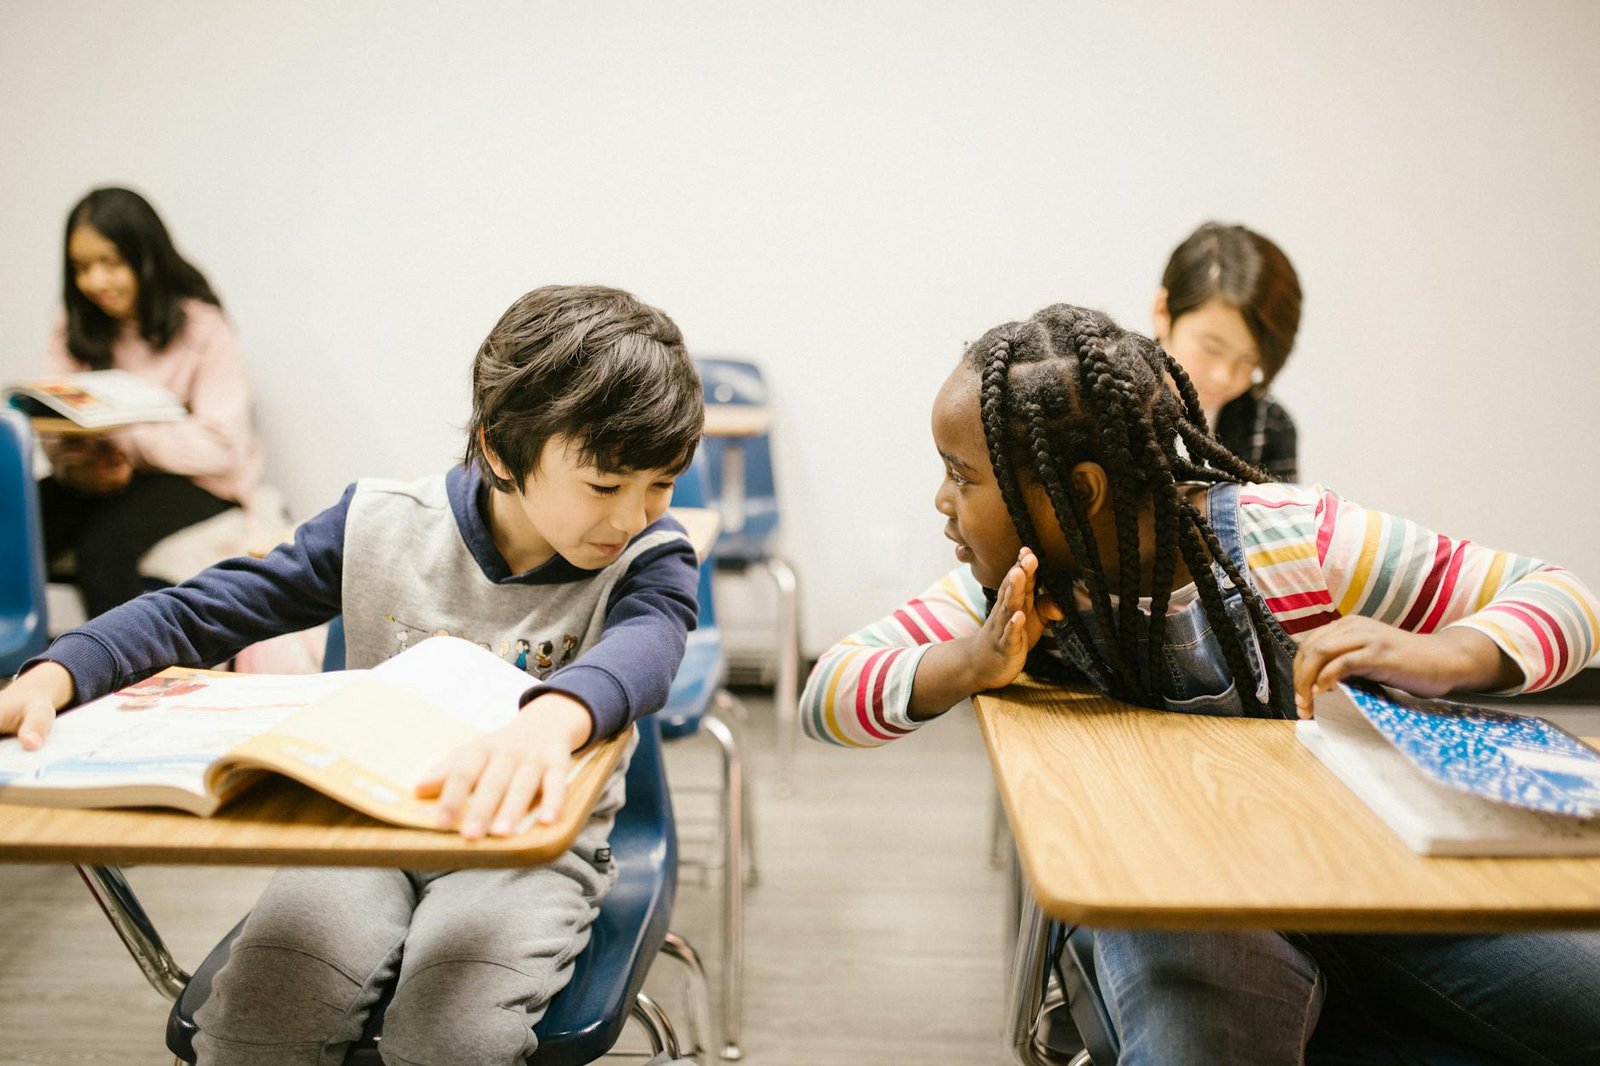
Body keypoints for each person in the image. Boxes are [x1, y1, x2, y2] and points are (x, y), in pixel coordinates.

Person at [801, 302, 1600, 1064]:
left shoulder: (1291, 540)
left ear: (1079, 491)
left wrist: (1450, 653)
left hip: (1372, 884)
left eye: (961, 475)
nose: (941, 501)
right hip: (1180, 906)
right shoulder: (1006, 597)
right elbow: (826, 694)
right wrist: (969, 664)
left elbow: (1563, 599)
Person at [0, 284, 705, 1066]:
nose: (632, 517)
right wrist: (61, 671)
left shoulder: (652, 556)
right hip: (360, 833)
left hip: (526, 852)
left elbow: (649, 643)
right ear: (502, 451)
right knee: (255, 1030)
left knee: (451, 1041)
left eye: (661, 484)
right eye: (605, 486)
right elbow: (201, 610)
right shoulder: (382, 523)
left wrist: (550, 718)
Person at [37, 186, 265, 617]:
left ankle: (123, 658)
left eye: (110, 263)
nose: (94, 282)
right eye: (81, 267)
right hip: (104, 474)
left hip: (197, 481)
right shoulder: (74, 326)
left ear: (145, 257)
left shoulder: (203, 326)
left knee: (104, 545)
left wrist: (126, 441)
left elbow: (221, 446)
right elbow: (57, 427)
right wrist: (77, 468)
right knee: (19, 517)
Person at [1153, 221, 1303, 481]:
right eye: (1211, 348)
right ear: (1163, 313)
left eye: (1250, 360)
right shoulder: (1108, 395)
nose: (1224, 376)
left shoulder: (1268, 426)